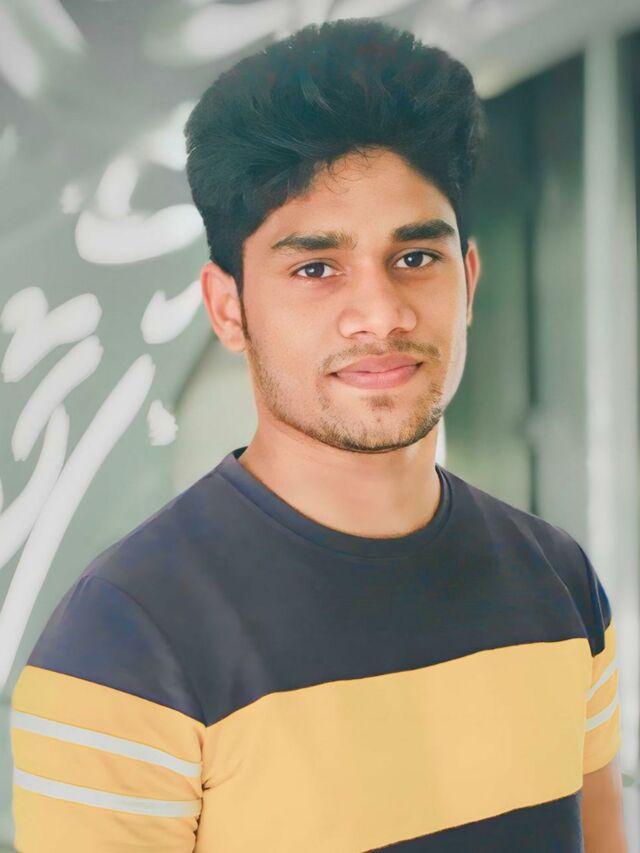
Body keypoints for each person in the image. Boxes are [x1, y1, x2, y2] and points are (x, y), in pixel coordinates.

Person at [10, 18, 626, 853]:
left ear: (469, 281)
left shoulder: (559, 581)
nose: (381, 312)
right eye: (315, 267)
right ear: (229, 308)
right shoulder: (122, 642)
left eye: (416, 257)